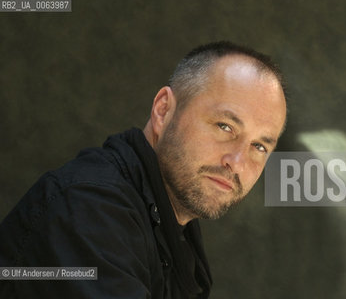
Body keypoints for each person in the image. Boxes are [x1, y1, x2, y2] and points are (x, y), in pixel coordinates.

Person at [0, 41, 287, 298]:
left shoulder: (174, 230)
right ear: (163, 111)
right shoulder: (89, 208)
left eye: (259, 147)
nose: (236, 162)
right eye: (225, 127)